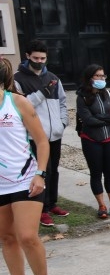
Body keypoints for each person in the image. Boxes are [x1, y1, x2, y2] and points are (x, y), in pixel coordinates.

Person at [0, 56, 62, 275]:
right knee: (6, 237)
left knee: (27, 236)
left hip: (25, 178)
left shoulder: (17, 102)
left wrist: (40, 174)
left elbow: (42, 141)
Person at [14, 39, 68, 228]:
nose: (40, 61)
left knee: (55, 170)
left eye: (43, 58)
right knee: (41, 172)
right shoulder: (17, 79)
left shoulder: (53, 77)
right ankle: (41, 210)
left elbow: (62, 101)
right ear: (27, 56)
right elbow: (20, 106)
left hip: (55, 133)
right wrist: (41, 94)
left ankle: (52, 203)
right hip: (35, 136)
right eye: (36, 58)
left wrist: (62, 122)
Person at [76, 64, 110, 219]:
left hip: (109, 139)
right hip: (91, 140)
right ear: (90, 78)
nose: (101, 79)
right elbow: (87, 120)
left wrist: (100, 117)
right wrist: (107, 117)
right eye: (97, 76)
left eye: (103, 76)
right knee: (96, 173)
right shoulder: (82, 97)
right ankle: (102, 205)